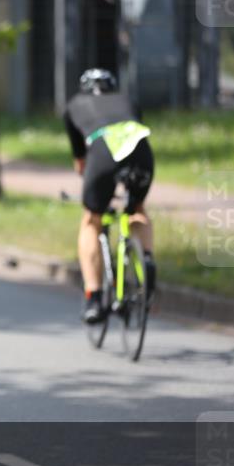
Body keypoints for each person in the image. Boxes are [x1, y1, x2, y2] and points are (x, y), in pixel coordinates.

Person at [64, 68, 156, 324]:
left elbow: (81, 163)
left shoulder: (74, 105)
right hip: (141, 151)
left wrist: (95, 192)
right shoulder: (128, 100)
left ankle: (93, 296)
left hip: (103, 151)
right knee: (137, 208)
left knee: (91, 221)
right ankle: (146, 260)